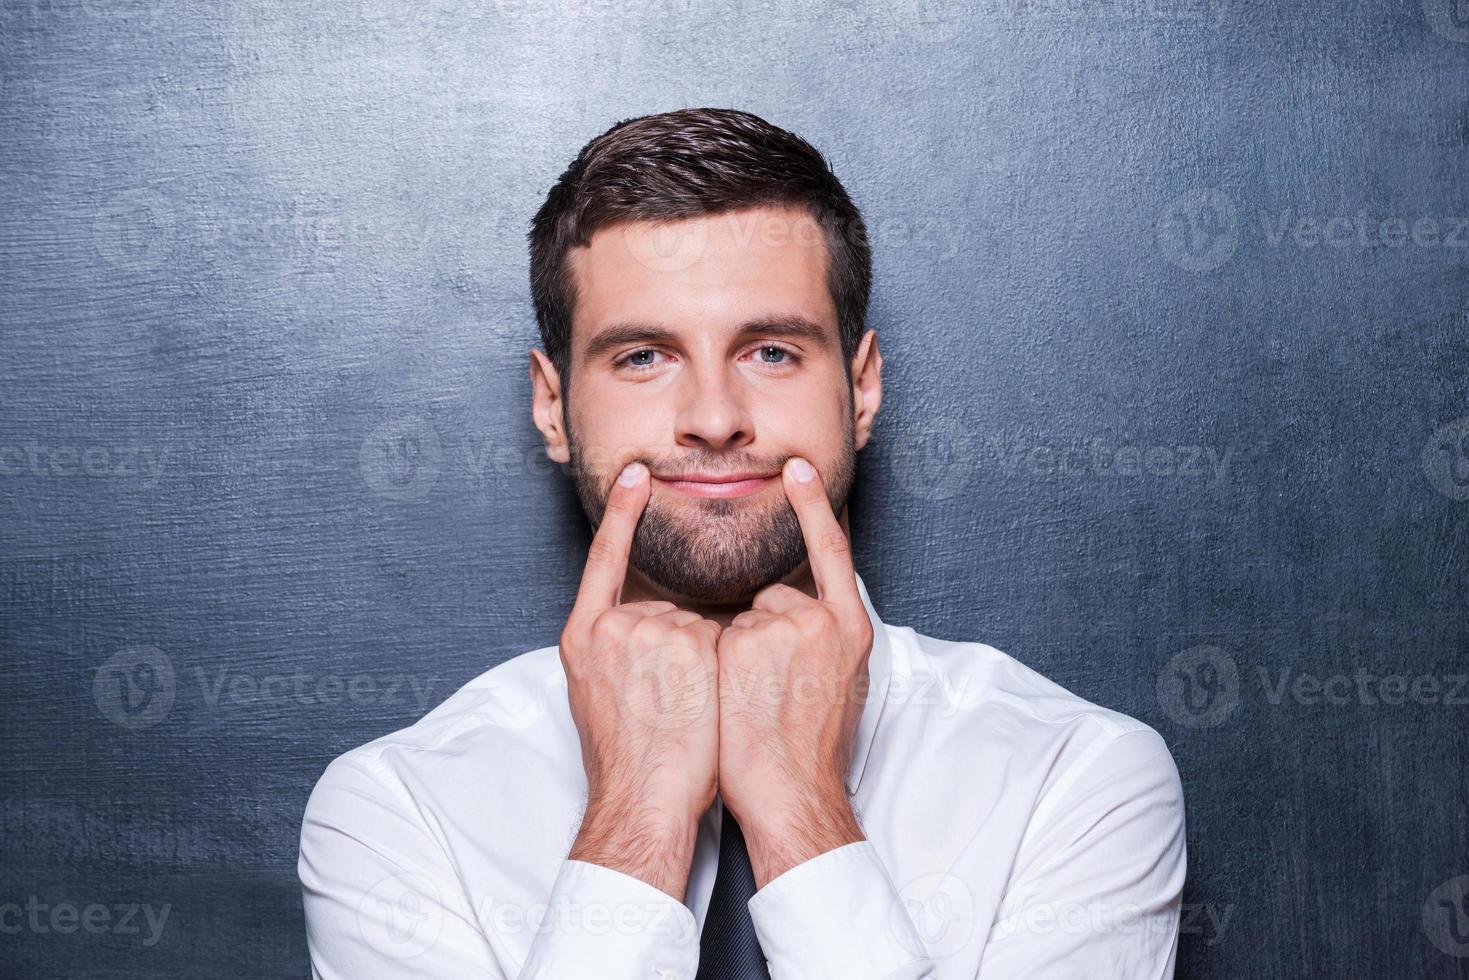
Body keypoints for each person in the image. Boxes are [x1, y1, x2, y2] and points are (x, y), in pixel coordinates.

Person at [298, 107, 1186, 979]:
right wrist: (633, 815)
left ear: (862, 389)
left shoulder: (1074, 780)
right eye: (642, 356)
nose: (715, 420)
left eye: (769, 352)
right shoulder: (397, 812)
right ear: (552, 406)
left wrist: (803, 810)